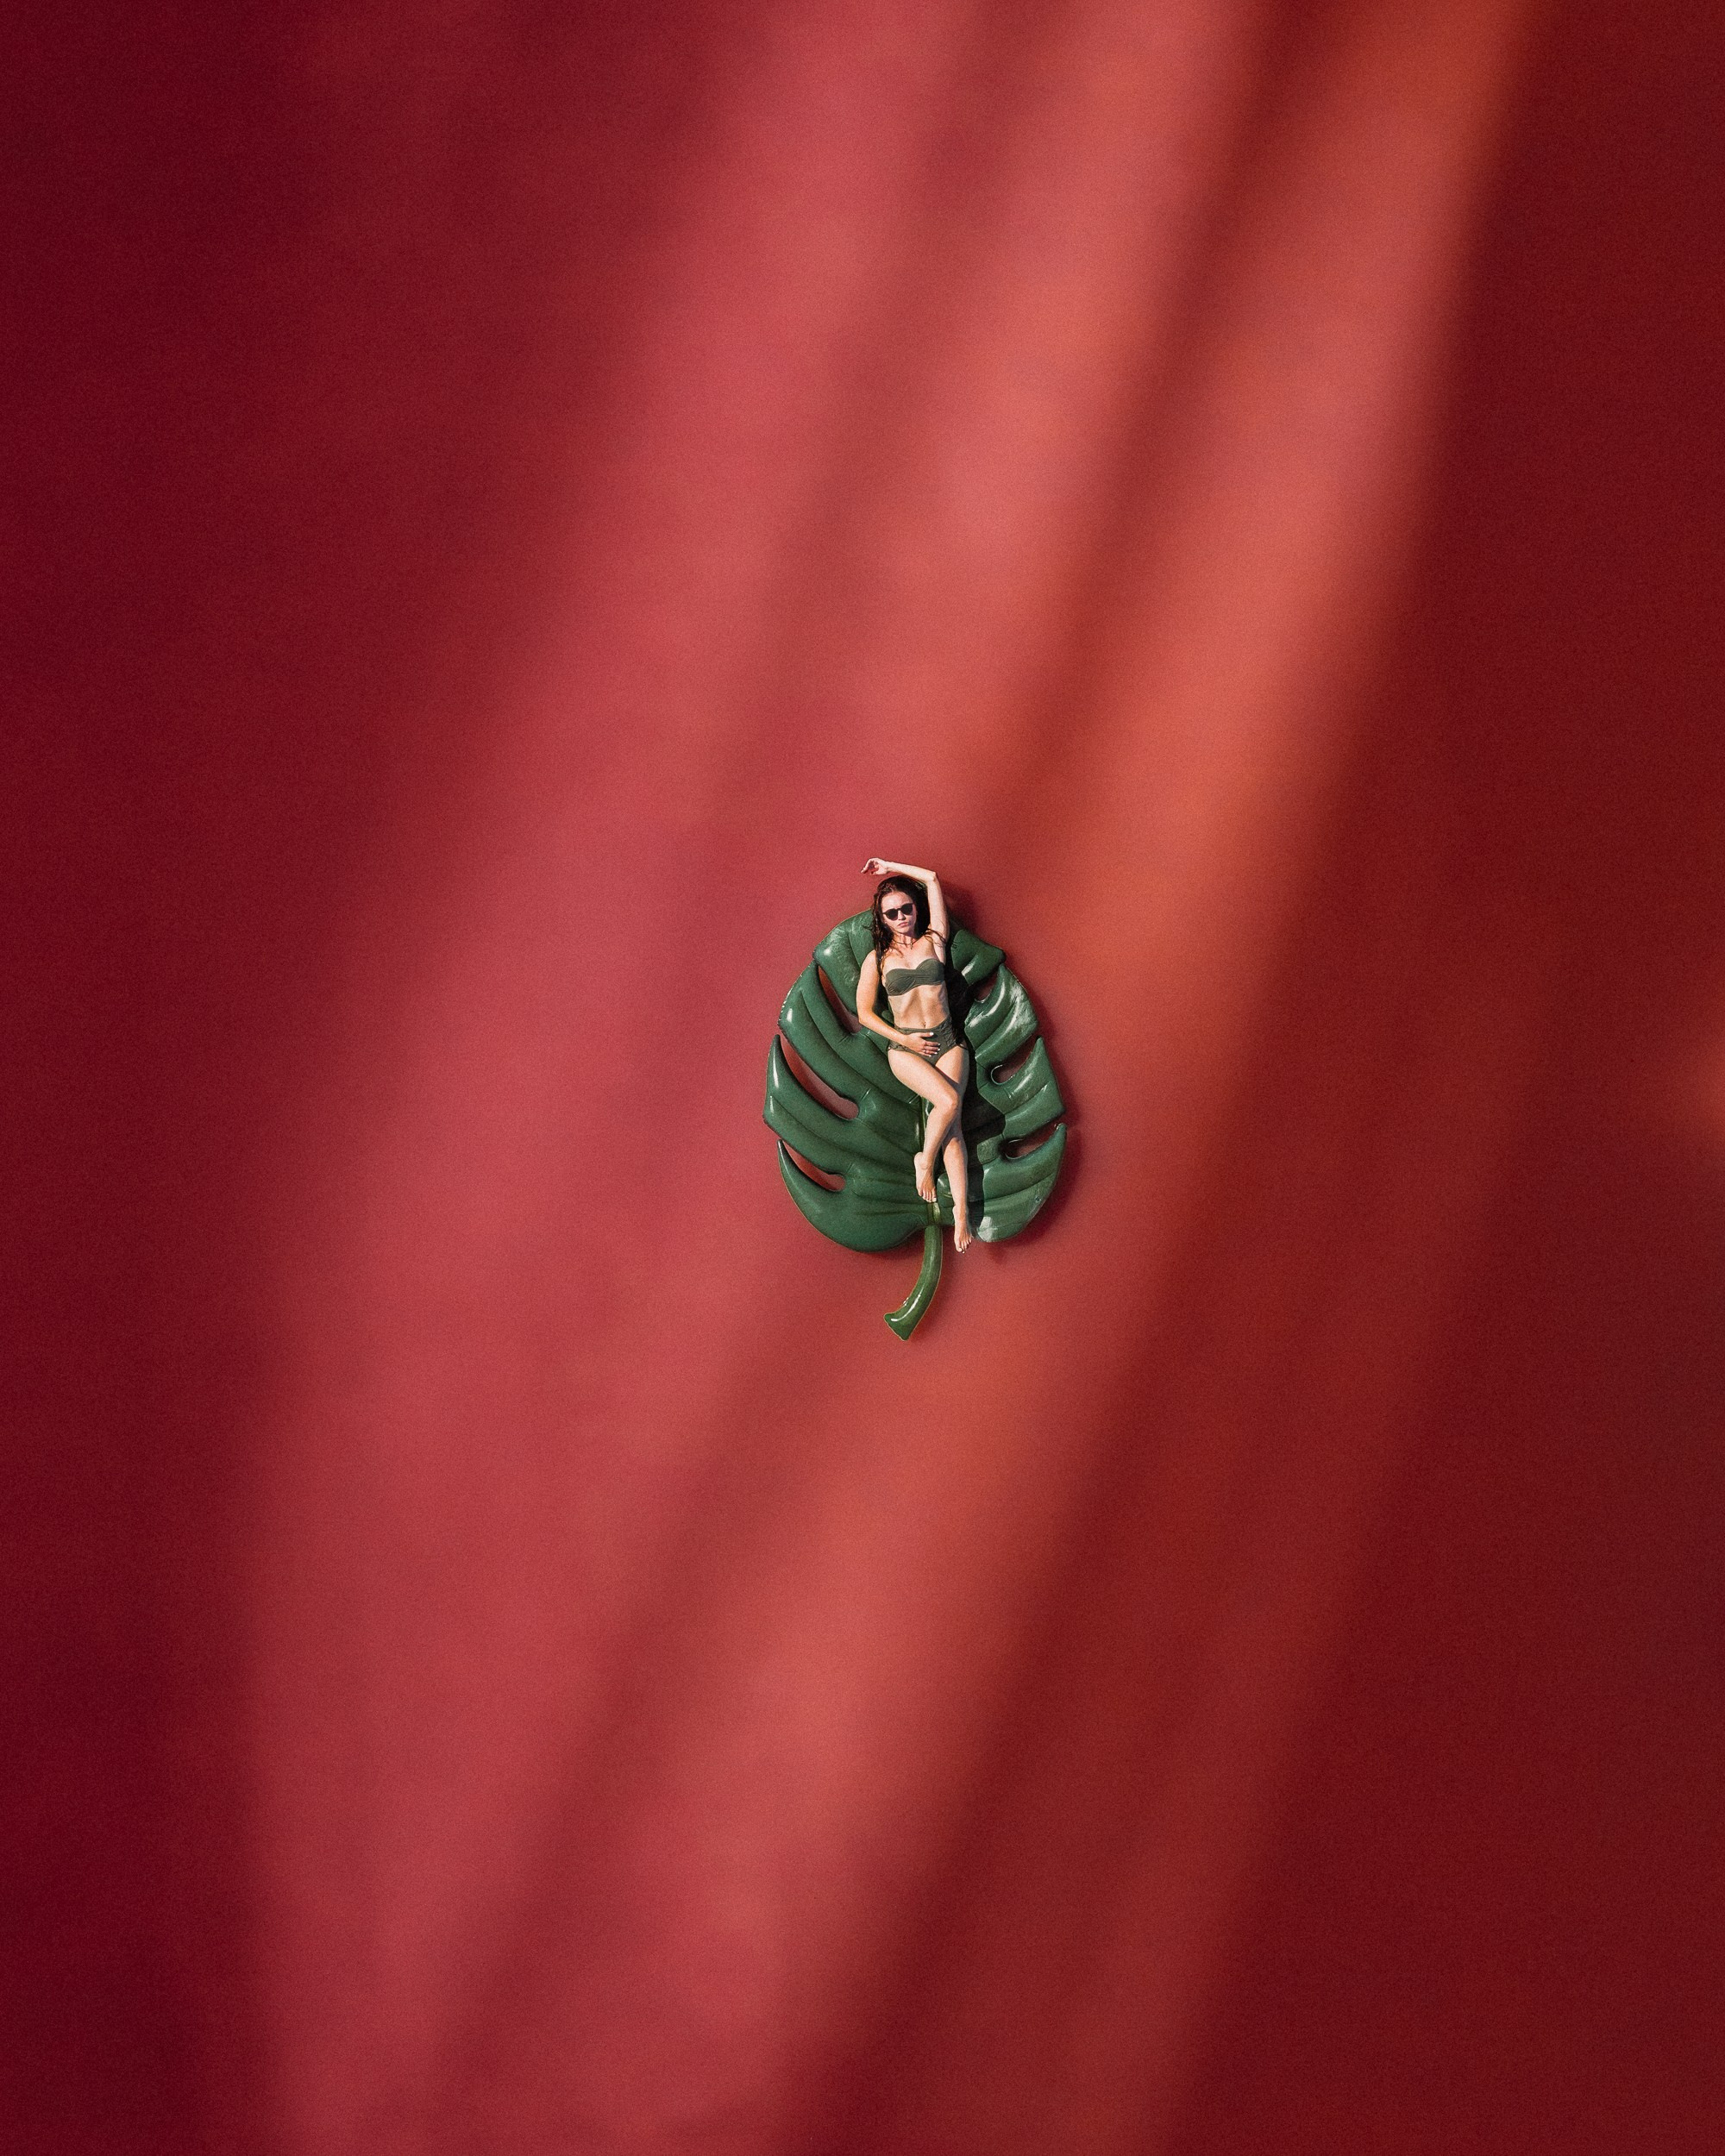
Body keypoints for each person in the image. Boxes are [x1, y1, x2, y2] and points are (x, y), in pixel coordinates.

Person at [855, 858, 972, 1250]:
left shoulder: (935, 939)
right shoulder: (879, 960)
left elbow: (933, 878)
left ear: (916, 908)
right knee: (948, 1101)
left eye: (906, 908)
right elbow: (865, 1014)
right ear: (882, 918)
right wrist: (905, 1041)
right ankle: (924, 1160)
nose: (901, 916)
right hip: (906, 1046)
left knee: (954, 1130)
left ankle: (961, 1217)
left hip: (947, 1040)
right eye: (892, 912)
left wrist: (887, 865)